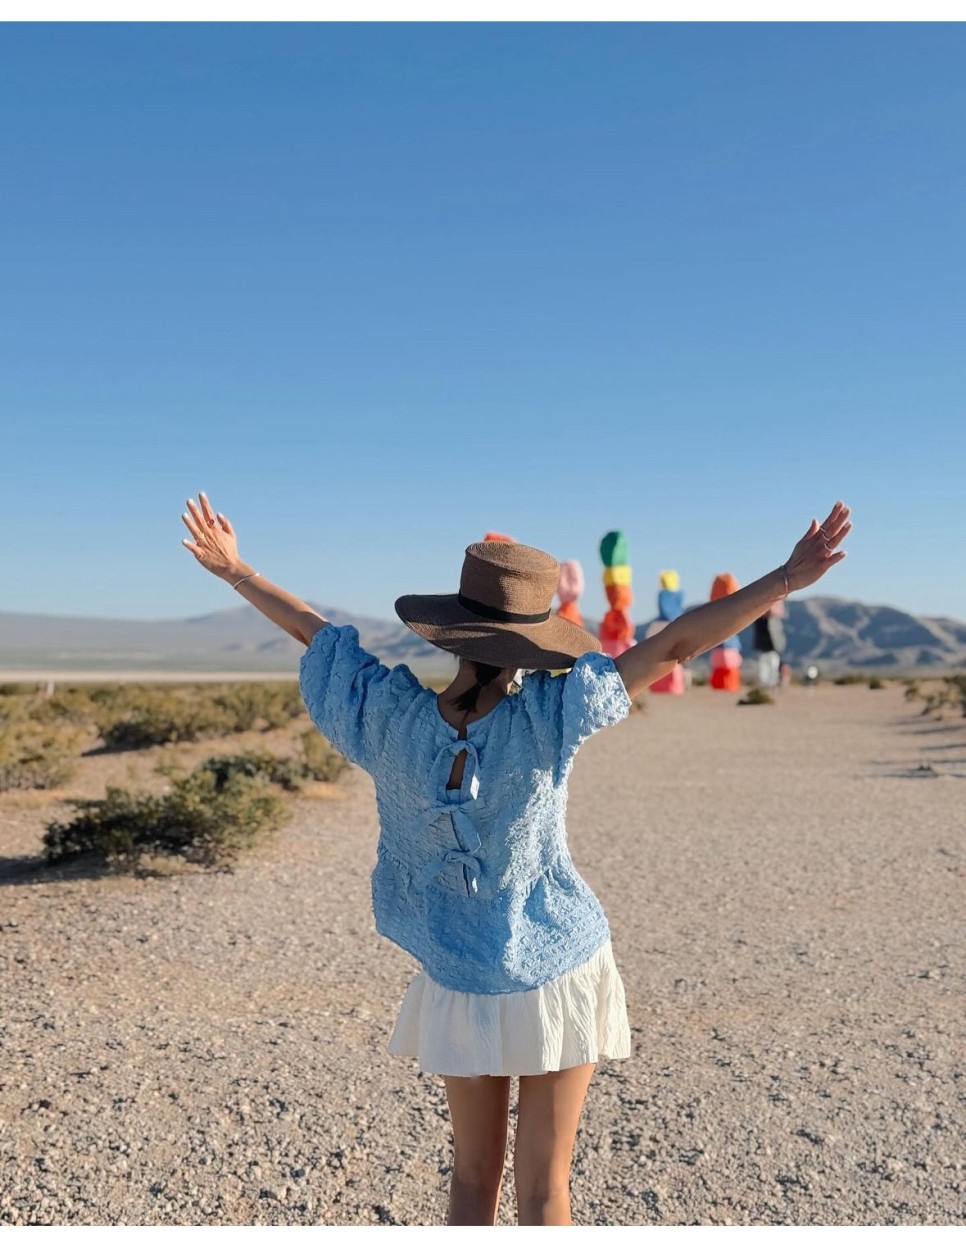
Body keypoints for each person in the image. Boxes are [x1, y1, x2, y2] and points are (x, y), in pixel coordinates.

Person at [180, 492, 851, 1226]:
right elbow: (673, 646)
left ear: (453, 633)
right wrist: (782, 580)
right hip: (557, 968)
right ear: (534, 644)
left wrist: (237, 571)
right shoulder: (547, 716)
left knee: (472, 1180)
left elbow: (317, 634)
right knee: (544, 1189)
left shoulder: (389, 718)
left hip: (458, 975)